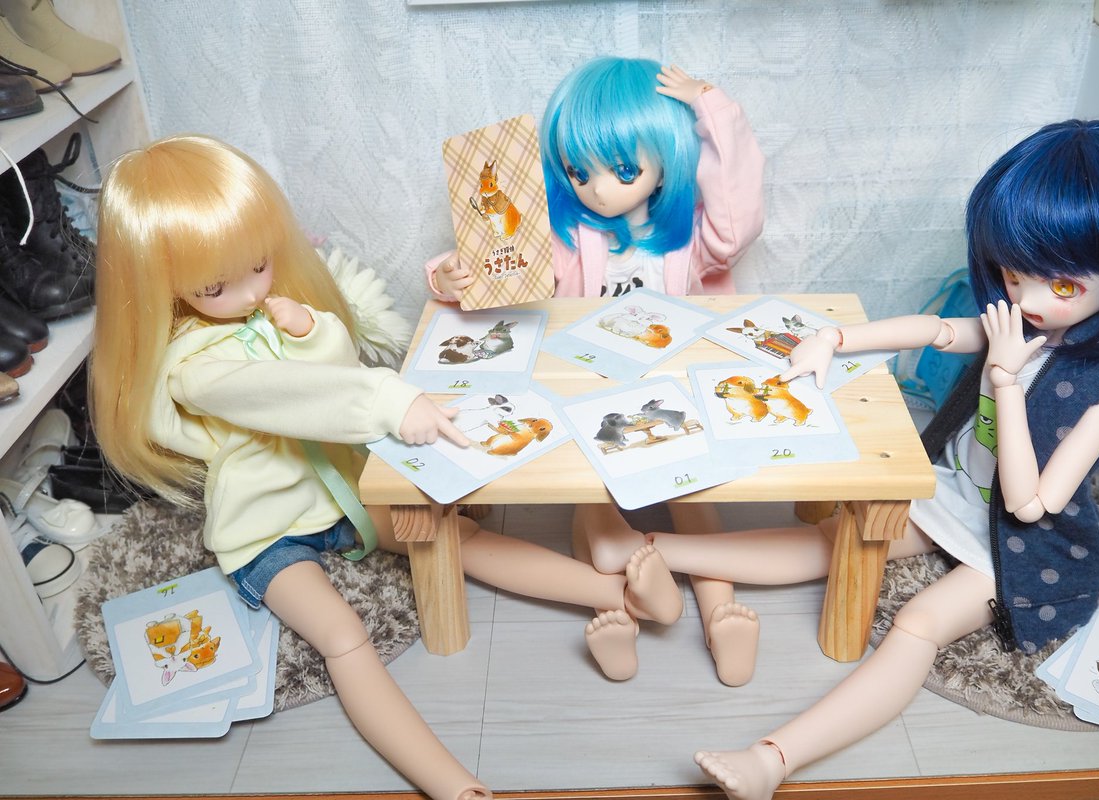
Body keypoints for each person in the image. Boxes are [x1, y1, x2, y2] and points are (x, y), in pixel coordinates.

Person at [89, 135, 685, 800]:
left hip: (343, 492)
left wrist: (309, 331)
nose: (253, 289)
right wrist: (390, 403)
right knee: (342, 635)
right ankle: (451, 784)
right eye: (216, 285)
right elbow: (289, 396)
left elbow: (333, 365)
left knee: (454, 536)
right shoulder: (194, 368)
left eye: (259, 264)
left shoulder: (264, 313)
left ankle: (621, 597)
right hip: (267, 529)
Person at [690, 119, 1099, 800]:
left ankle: (772, 760)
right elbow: (938, 330)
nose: (1026, 299)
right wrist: (835, 339)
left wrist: (1007, 381)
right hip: (957, 490)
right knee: (841, 537)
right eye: (1014, 274)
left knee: (919, 623)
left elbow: (1032, 504)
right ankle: (660, 550)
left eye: (1061, 287)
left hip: (1023, 547)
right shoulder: (1023, 318)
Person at [426, 56, 768, 685]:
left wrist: (711, 107)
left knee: (692, 494)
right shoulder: (569, 234)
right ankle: (623, 606)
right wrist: (450, 275)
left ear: (669, 158)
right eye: (580, 172)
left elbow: (738, 215)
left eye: (624, 170)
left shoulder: (691, 236)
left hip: (670, 389)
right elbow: (502, 263)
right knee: (593, 496)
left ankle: (721, 614)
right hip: (587, 395)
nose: (599, 190)